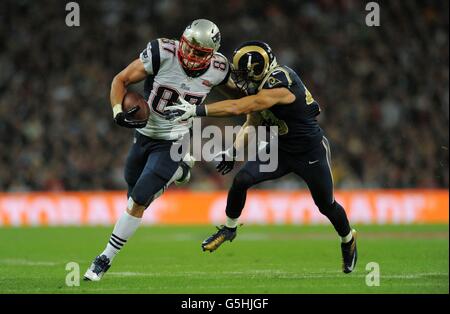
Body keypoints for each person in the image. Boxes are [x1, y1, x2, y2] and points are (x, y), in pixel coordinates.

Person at [165, 41, 358, 274]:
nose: (241, 80)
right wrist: (233, 151)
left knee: (325, 205)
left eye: (245, 74)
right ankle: (229, 228)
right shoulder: (261, 85)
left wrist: (198, 110)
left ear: (258, 69)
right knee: (242, 179)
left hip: (310, 151)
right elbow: (252, 122)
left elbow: (241, 106)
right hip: (281, 148)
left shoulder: (281, 82)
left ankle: (348, 239)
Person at [84, 19, 231, 281]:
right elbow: (121, 80)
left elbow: (240, 96)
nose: (190, 55)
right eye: (188, 47)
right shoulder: (161, 52)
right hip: (142, 137)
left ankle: (103, 259)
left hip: (174, 141)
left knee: (139, 198)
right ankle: (181, 171)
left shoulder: (220, 69)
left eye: (199, 52)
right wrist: (118, 112)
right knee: (134, 197)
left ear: (211, 55)